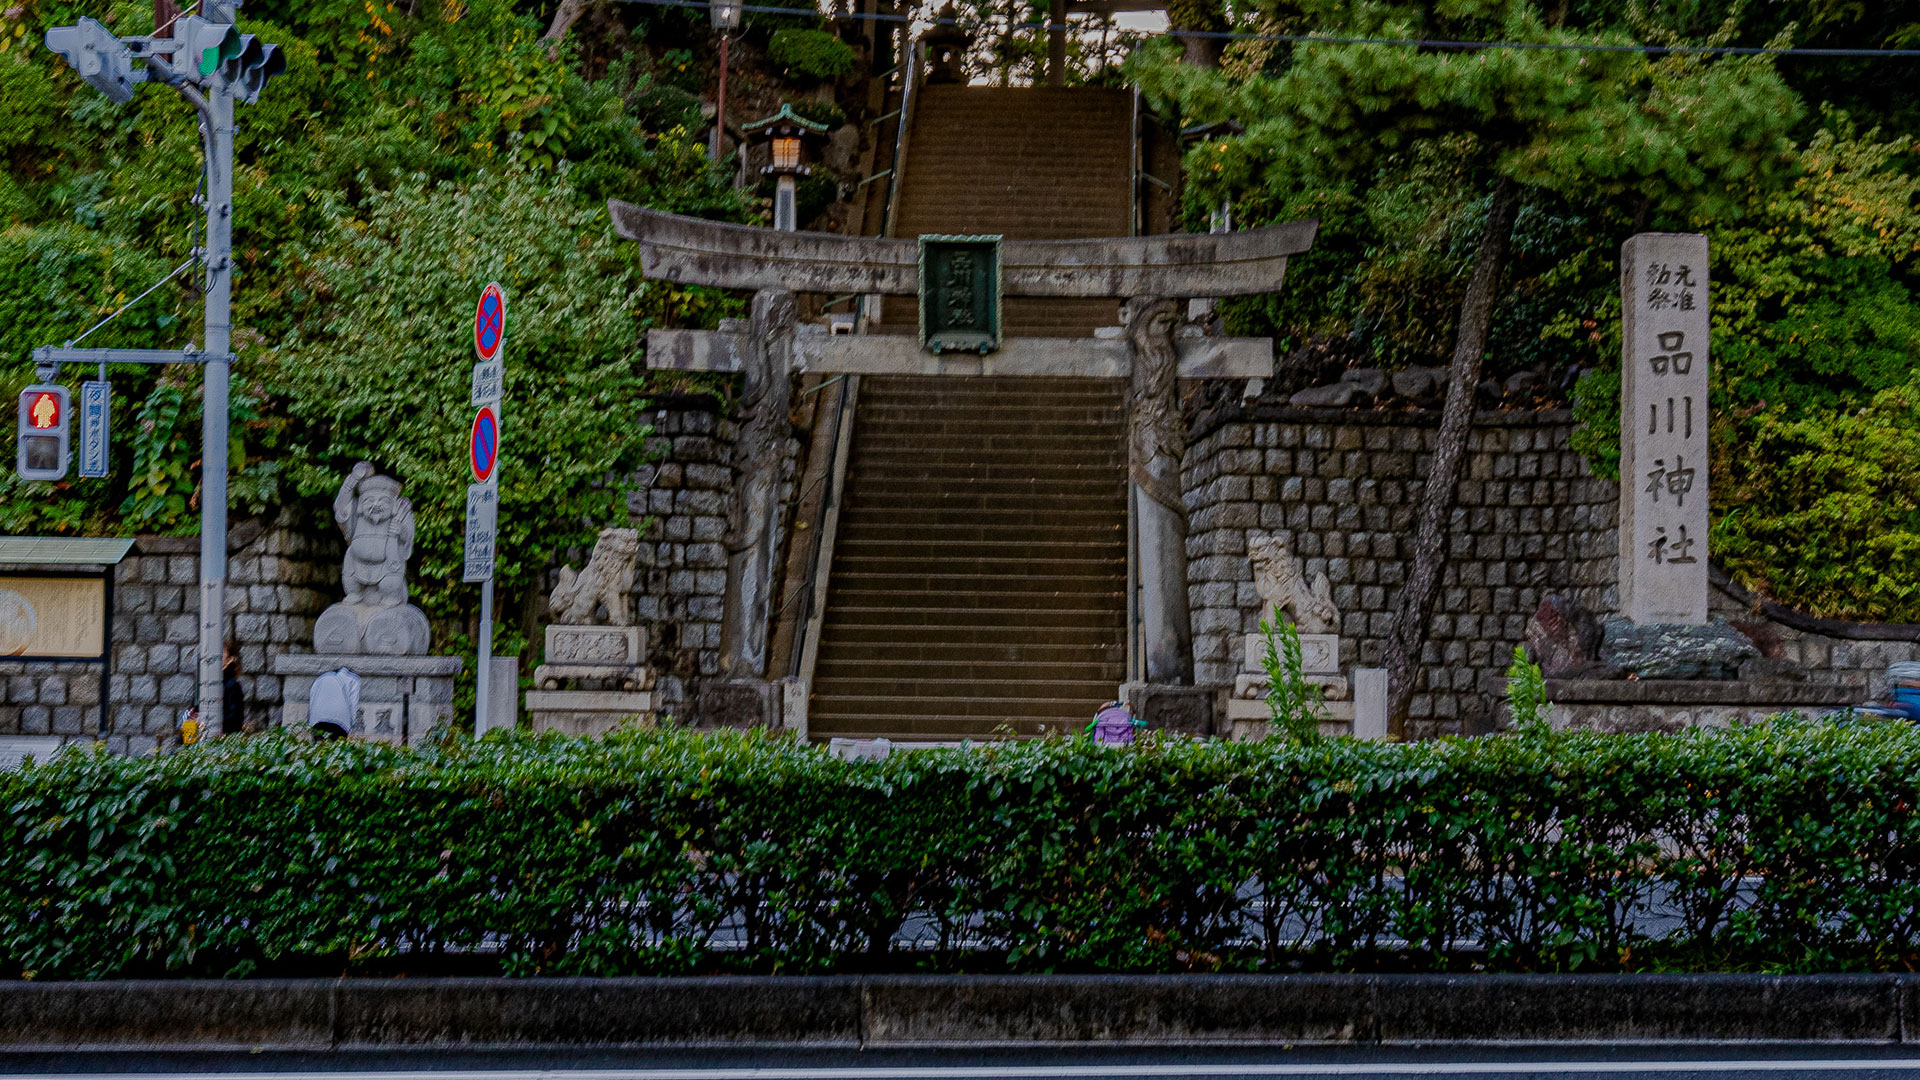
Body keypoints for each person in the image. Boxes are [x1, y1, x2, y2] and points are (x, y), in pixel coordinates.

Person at [222, 640, 246, 736]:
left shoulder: (233, 685)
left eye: (222, 653)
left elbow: (235, 718)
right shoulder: (206, 682)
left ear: (230, 659)